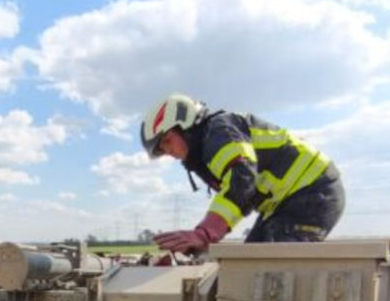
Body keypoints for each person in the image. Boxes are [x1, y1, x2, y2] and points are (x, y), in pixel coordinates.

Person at [141, 93, 344, 253]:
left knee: (267, 271)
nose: (169, 152)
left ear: (184, 125)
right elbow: (242, 197)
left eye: (167, 141)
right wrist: (205, 237)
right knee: (248, 263)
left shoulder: (218, 133)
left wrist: (204, 233)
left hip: (312, 193)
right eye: (161, 150)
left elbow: (242, 178)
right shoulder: (208, 145)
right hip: (287, 203)